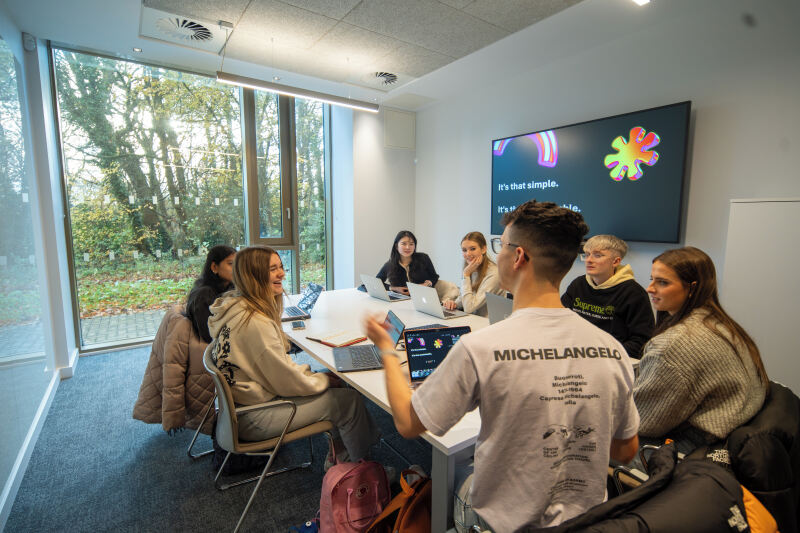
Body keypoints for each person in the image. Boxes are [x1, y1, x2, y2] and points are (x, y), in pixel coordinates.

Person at [364, 200, 639, 531]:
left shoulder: (481, 348)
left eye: (500, 245)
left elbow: (409, 423)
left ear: (519, 257)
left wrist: (386, 351)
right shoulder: (611, 350)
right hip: (588, 521)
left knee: (453, 473)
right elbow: (625, 451)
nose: (499, 253)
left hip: (501, 523)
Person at [208, 245, 379, 462]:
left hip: (240, 407)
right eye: (272, 269)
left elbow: (274, 367)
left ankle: (341, 458)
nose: (281, 273)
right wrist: (321, 379)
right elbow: (286, 381)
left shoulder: (235, 307)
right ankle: (361, 475)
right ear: (253, 275)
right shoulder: (255, 324)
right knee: (349, 401)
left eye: (280, 267)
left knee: (332, 383)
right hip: (254, 416)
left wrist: (317, 377)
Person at [633, 246, 768, 454]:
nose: (650, 288)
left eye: (662, 282)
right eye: (652, 279)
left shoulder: (673, 344)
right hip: (728, 433)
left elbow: (644, 422)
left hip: (692, 447)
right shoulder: (720, 323)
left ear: (692, 288)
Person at [561, 235, 654, 358]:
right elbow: (561, 319)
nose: (589, 260)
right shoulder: (579, 284)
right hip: (575, 353)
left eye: (597, 255)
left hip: (611, 359)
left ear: (615, 261)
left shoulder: (634, 293)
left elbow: (641, 342)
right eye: (587, 254)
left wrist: (599, 355)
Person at [443, 231, 504, 317]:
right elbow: (467, 295)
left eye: (472, 249)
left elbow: (469, 308)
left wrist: (466, 275)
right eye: (464, 250)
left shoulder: (494, 273)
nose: (468, 254)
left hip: (488, 323)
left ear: (483, 249)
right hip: (475, 319)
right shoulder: (471, 269)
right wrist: (454, 303)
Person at [185, 245, 236, 343]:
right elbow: (209, 335)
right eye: (230, 264)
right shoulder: (204, 294)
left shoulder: (230, 287)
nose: (236, 268)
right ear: (214, 267)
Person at [375, 230, 439, 296]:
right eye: (404, 244)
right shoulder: (390, 265)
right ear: (397, 246)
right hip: (402, 301)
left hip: (424, 297)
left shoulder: (423, 258)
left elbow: (434, 276)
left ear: (415, 246)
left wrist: (426, 284)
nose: (408, 247)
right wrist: (394, 288)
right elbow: (376, 283)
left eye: (411, 244)